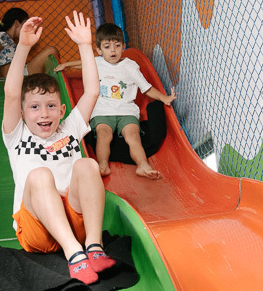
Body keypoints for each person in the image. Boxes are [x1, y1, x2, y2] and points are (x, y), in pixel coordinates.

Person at [2, 12, 115, 285]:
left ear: (62, 110)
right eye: (35, 107)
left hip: (74, 220)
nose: (44, 113)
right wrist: (24, 46)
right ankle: (74, 254)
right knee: (40, 175)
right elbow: (12, 93)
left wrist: (85, 45)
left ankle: (94, 247)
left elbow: (92, 91)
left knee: (87, 164)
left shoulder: (69, 128)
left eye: (51, 106)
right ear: (22, 113)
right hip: (37, 230)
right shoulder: (16, 135)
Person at [56, 23, 176, 179]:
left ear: (123, 46)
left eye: (117, 45)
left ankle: (143, 165)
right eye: (107, 47)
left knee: (133, 136)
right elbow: (84, 63)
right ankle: (103, 165)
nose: (113, 50)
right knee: (103, 134)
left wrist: (164, 98)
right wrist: (66, 65)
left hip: (127, 111)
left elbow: (146, 88)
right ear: (99, 50)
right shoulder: (96, 62)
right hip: (102, 111)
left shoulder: (130, 66)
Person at [0, 7, 58, 79]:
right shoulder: (3, 36)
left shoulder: (10, 41)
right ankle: (53, 80)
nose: (28, 28)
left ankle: (50, 80)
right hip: (18, 76)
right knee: (51, 50)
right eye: (25, 24)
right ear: (17, 23)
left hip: (19, 74)